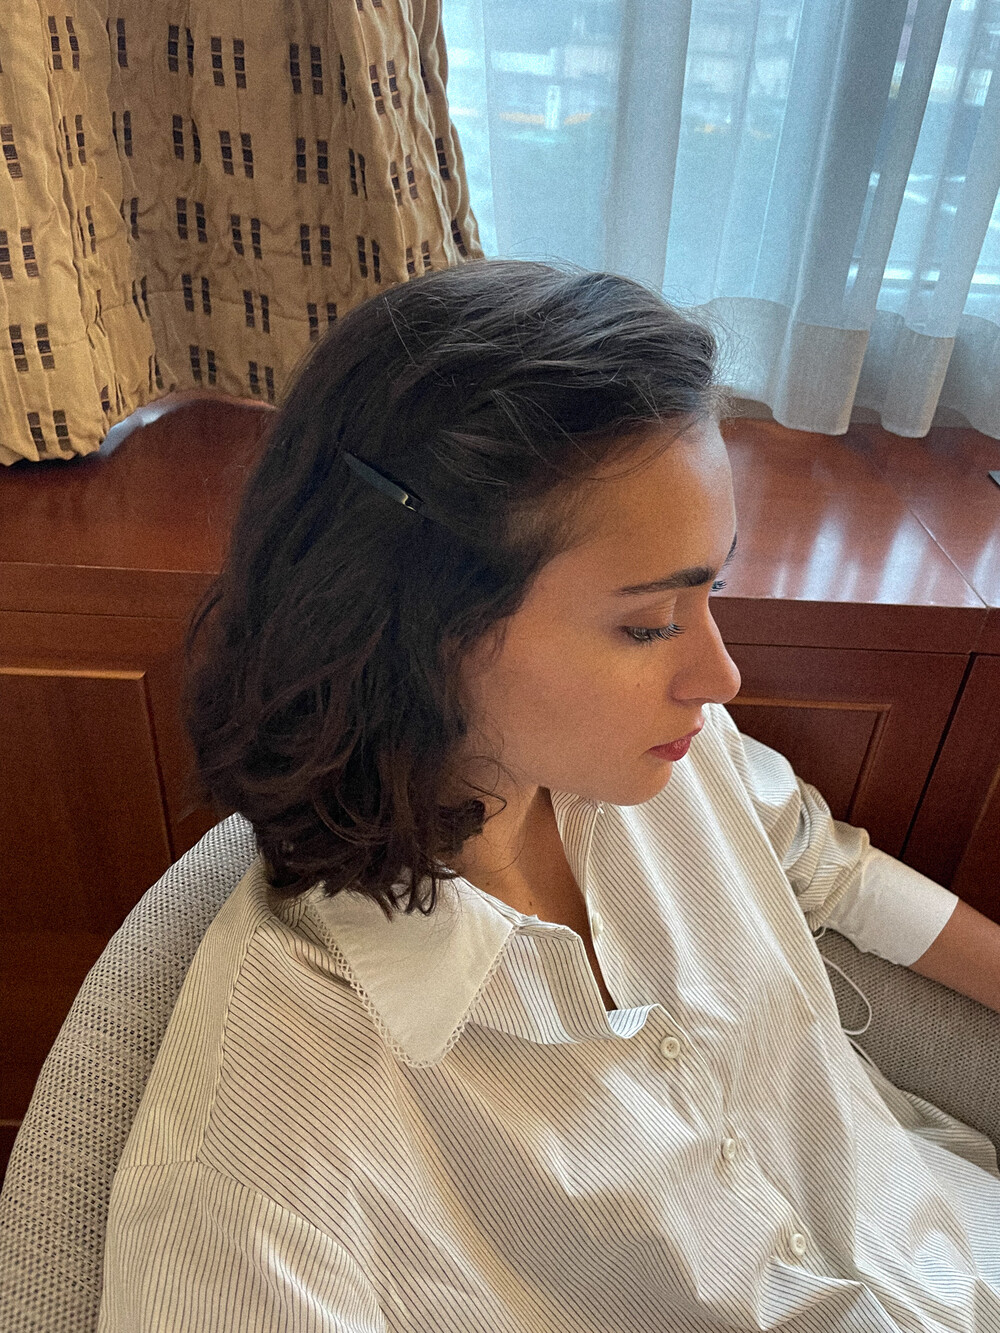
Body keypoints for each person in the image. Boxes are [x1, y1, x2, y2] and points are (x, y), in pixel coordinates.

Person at [97, 259, 1000, 1332]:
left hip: (946, 1243)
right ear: (416, 629)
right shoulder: (268, 1150)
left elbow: (822, 864)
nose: (720, 677)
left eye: (710, 589)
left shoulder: (662, 758)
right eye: (647, 624)